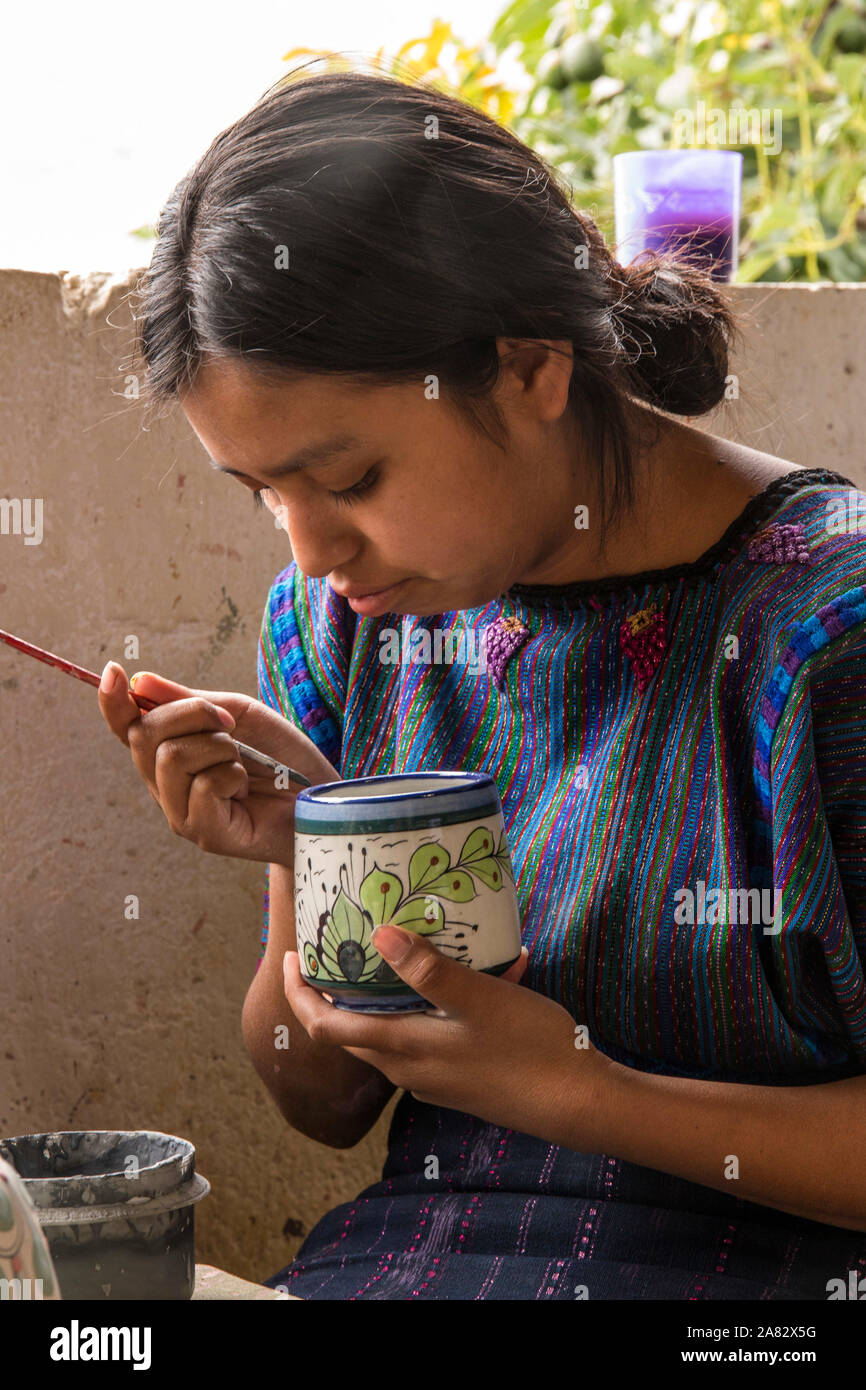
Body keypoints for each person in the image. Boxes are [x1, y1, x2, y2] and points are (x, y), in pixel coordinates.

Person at [99, 68, 866, 1300]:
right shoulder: (348, 620)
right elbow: (323, 1104)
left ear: (528, 368)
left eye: (346, 479)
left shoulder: (826, 628)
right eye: (264, 495)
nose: (311, 554)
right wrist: (310, 841)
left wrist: (578, 1091)